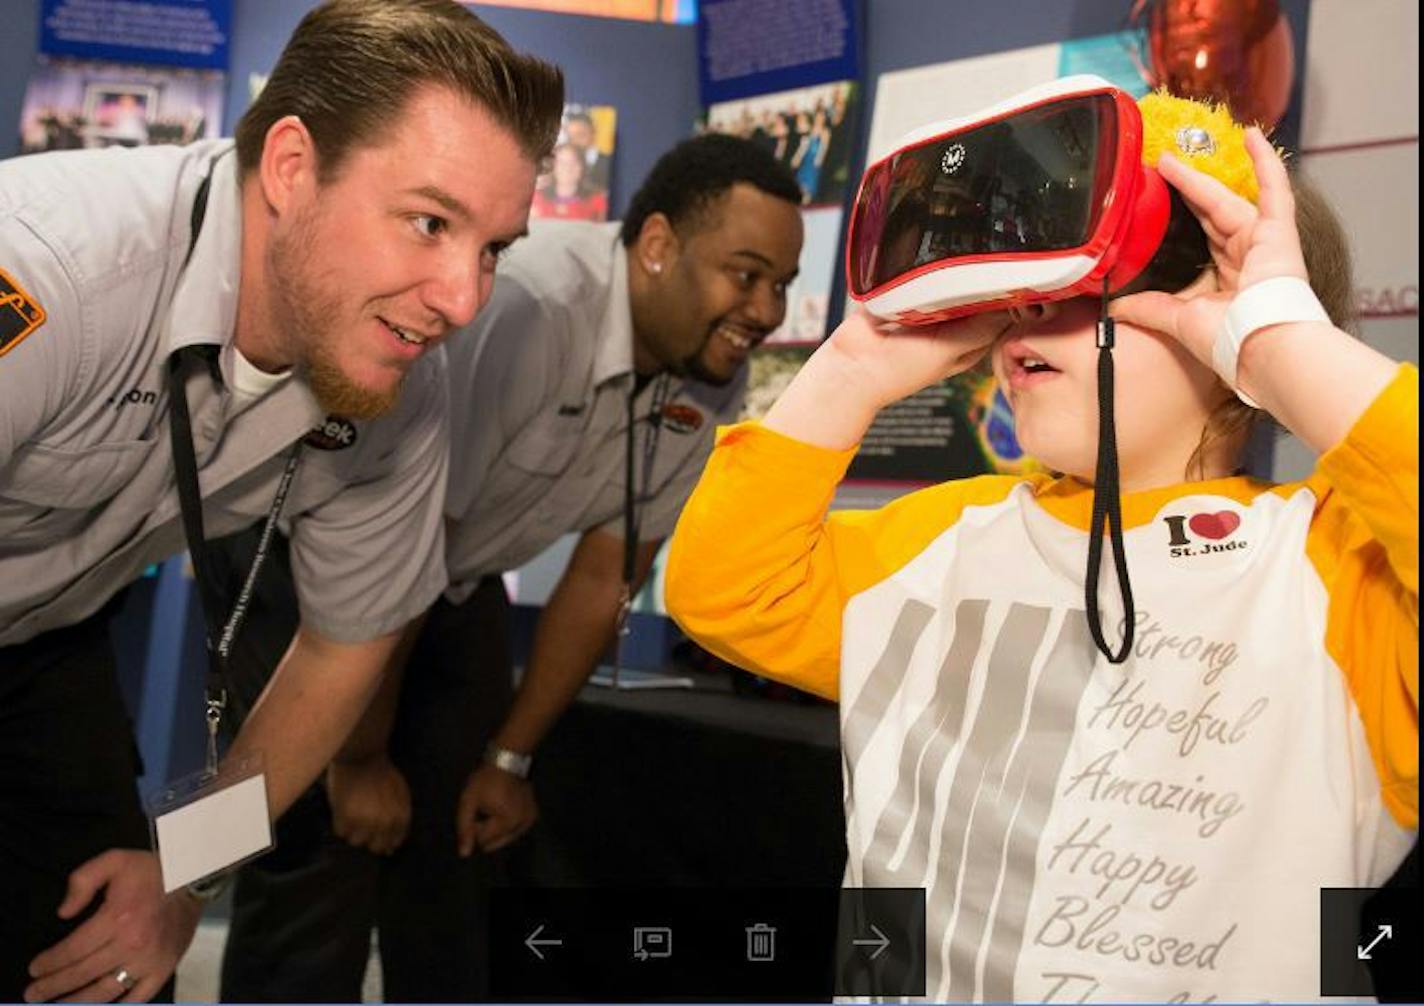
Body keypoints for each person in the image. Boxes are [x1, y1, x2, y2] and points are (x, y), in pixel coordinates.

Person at [665, 99, 1416, 1001]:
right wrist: (855, 368)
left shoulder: (1338, 568)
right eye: (1022, 291)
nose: (1030, 319)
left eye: (1101, 282)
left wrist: (1286, 344)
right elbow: (722, 589)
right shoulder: (948, 540)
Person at [0, 1, 563, 1001]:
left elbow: (341, 655)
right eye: (429, 223)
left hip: (48, 637)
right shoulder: (48, 268)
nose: (463, 301)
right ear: (293, 168)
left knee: (115, 959)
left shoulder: (400, 387)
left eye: (491, 248)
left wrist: (186, 871)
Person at [211, 132, 804, 1002]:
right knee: (314, 850)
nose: (765, 309)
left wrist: (509, 758)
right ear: (658, 246)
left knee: (464, 845)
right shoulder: (528, 309)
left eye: (781, 285)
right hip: (308, 559)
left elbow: (606, 576)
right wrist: (357, 759)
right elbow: (392, 544)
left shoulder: (708, 379)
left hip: (450, 576)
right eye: (745, 274)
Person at [531, 141, 609, 221]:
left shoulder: (597, 200)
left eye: (573, 162)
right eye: (562, 162)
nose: (568, 168)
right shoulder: (536, 198)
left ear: (582, 167)